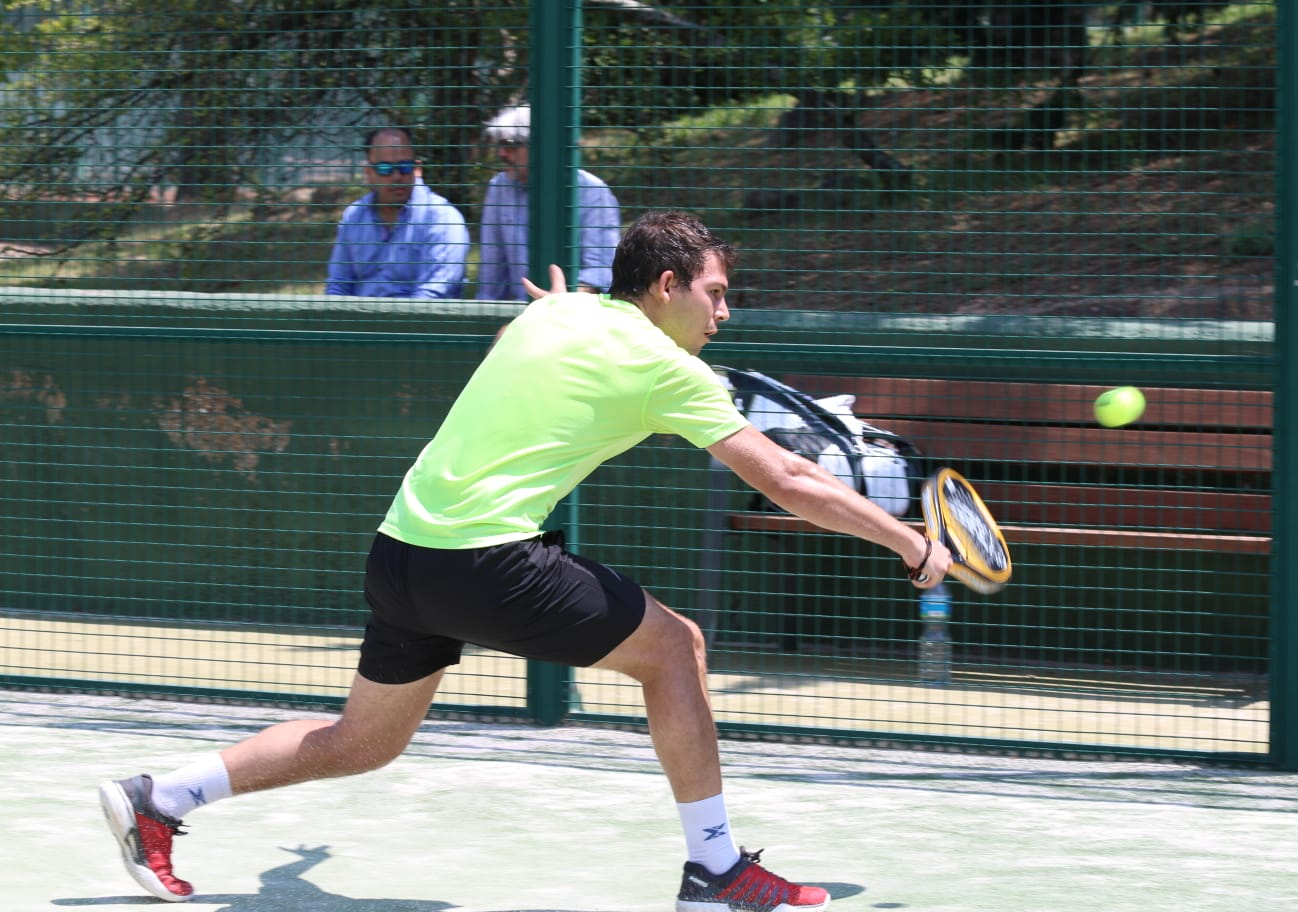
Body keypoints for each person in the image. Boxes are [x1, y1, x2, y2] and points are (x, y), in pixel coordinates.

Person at [98, 210, 952, 911]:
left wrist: (553, 303)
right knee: (677, 648)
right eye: (715, 295)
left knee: (362, 741)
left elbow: (539, 319)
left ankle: (161, 798)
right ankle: (718, 873)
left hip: (401, 553)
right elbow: (791, 477)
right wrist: (909, 542)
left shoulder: (560, 310)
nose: (724, 315)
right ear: (666, 287)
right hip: (486, 560)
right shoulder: (669, 367)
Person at [475, 104, 620, 301]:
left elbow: (599, 272)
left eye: (510, 145)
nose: (501, 153)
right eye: (499, 145)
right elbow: (492, 273)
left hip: (576, 315)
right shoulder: (499, 189)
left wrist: (558, 306)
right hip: (518, 317)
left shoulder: (592, 192)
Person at [325, 126, 469, 299]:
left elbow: (433, 296)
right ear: (369, 173)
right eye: (385, 169)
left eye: (404, 167)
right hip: (357, 323)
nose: (396, 176)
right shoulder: (354, 216)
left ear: (417, 169)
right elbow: (338, 285)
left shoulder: (443, 219)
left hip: (419, 323)